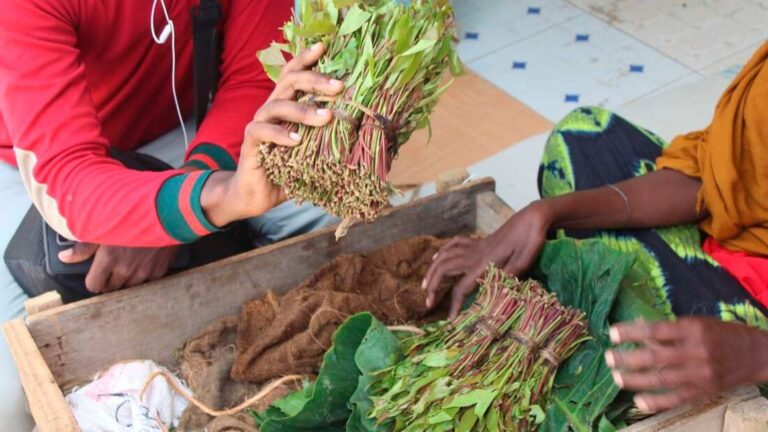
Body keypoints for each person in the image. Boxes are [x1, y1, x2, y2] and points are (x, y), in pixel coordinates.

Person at [0, 0, 343, 427]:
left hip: (192, 127)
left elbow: (257, 77)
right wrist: (197, 206)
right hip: (30, 160)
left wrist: (194, 185)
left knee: (337, 225)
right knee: (12, 398)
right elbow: (67, 176)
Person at [424, 41, 768, 414]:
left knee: (637, 302)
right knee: (583, 136)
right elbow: (712, 178)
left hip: (752, 327)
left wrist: (754, 354)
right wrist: (548, 213)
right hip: (724, 245)